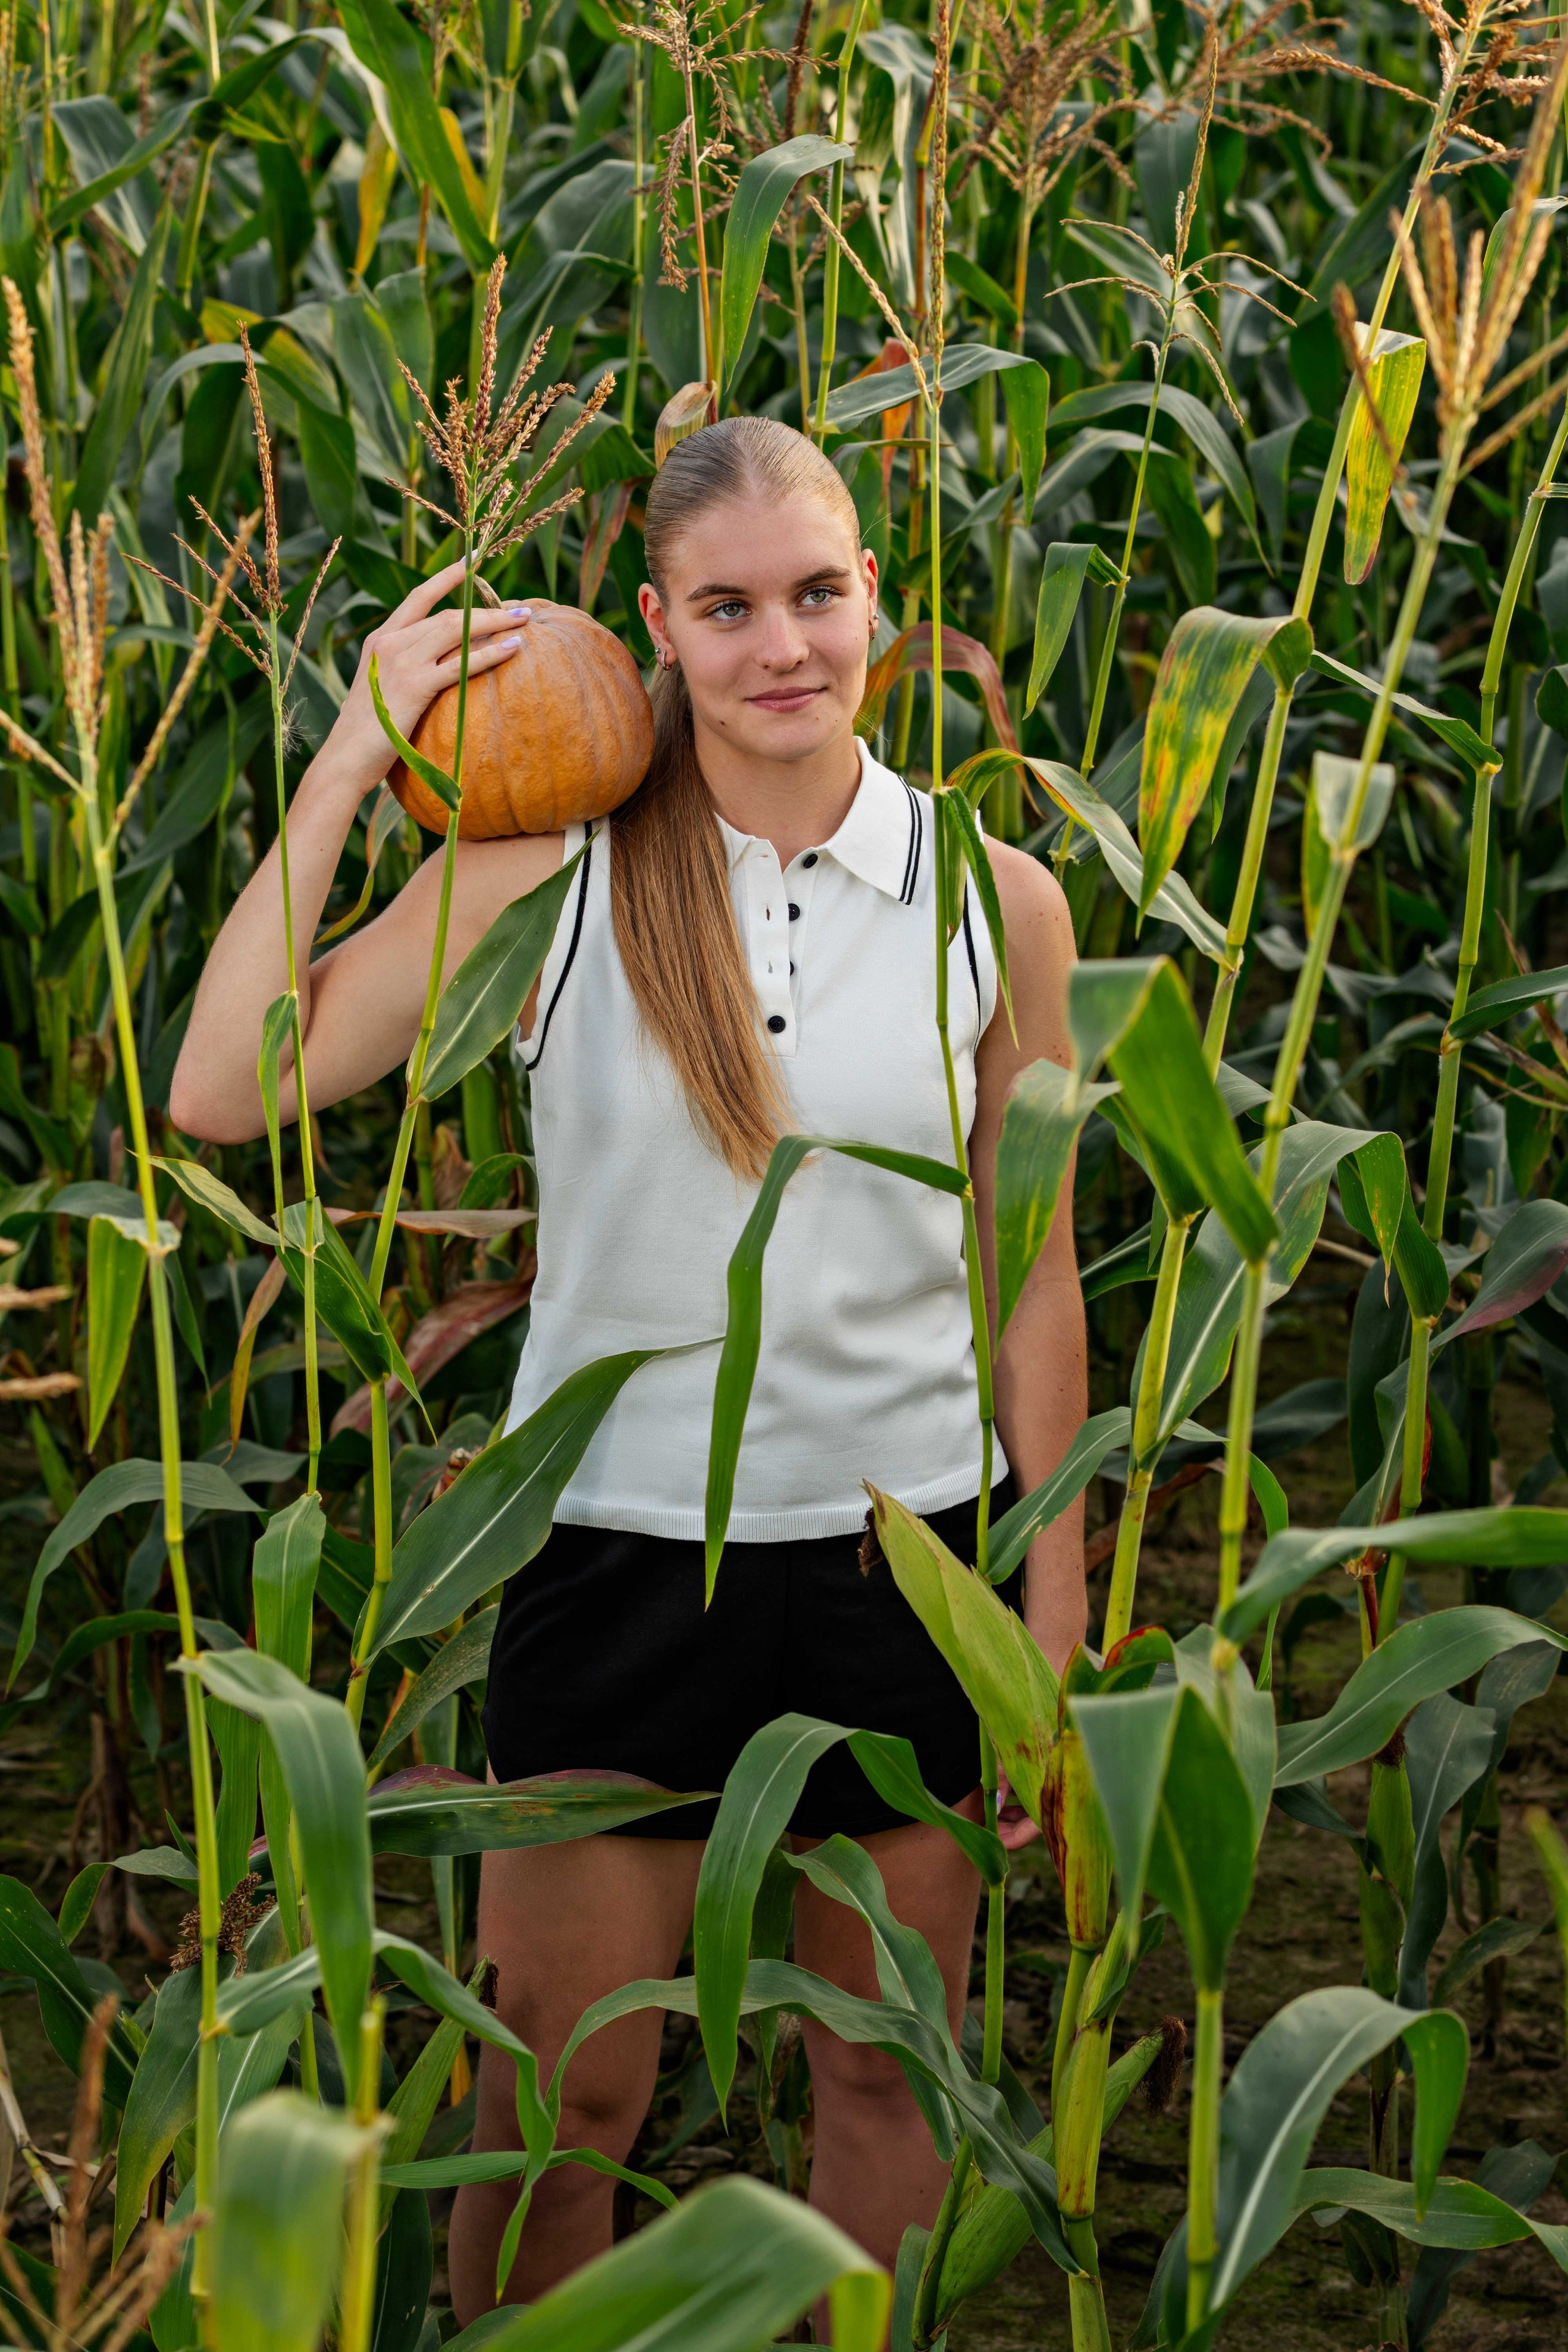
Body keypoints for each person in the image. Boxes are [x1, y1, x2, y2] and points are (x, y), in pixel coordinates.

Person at [172, 415, 1087, 2325]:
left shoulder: (988, 899)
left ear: (872, 610)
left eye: (818, 595)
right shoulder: (549, 880)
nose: (783, 647)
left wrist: (1051, 1605)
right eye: (730, 606)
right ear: (657, 625)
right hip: (612, 1550)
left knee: (876, 2064)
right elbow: (224, 1092)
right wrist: (355, 758)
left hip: (902, 1559)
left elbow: (1031, 1258)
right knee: (557, 2098)